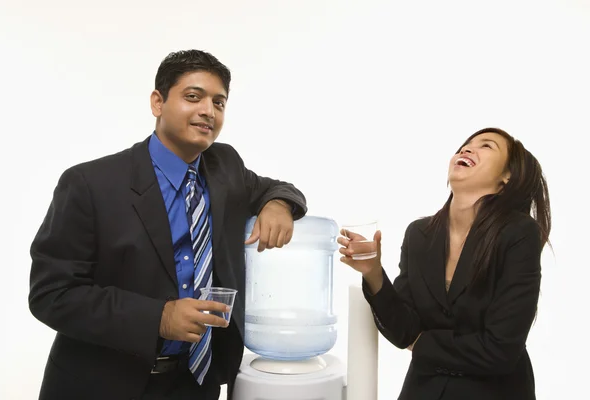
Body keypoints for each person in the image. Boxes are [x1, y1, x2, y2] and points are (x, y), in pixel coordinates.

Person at [28, 49, 307, 400]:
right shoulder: (90, 184)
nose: (208, 110)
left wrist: (278, 204)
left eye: (219, 103)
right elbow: (51, 294)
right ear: (157, 102)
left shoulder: (225, 167)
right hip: (104, 383)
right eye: (193, 97)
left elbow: (275, 188)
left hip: (196, 383)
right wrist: (157, 317)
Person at [338, 127, 550, 400]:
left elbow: (500, 350)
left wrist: (422, 343)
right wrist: (373, 272)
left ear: (506, 177)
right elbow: (404, 330)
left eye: (486, 146)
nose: (466, 149)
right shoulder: (419, 234)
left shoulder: (519, 234)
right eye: (465, 145)